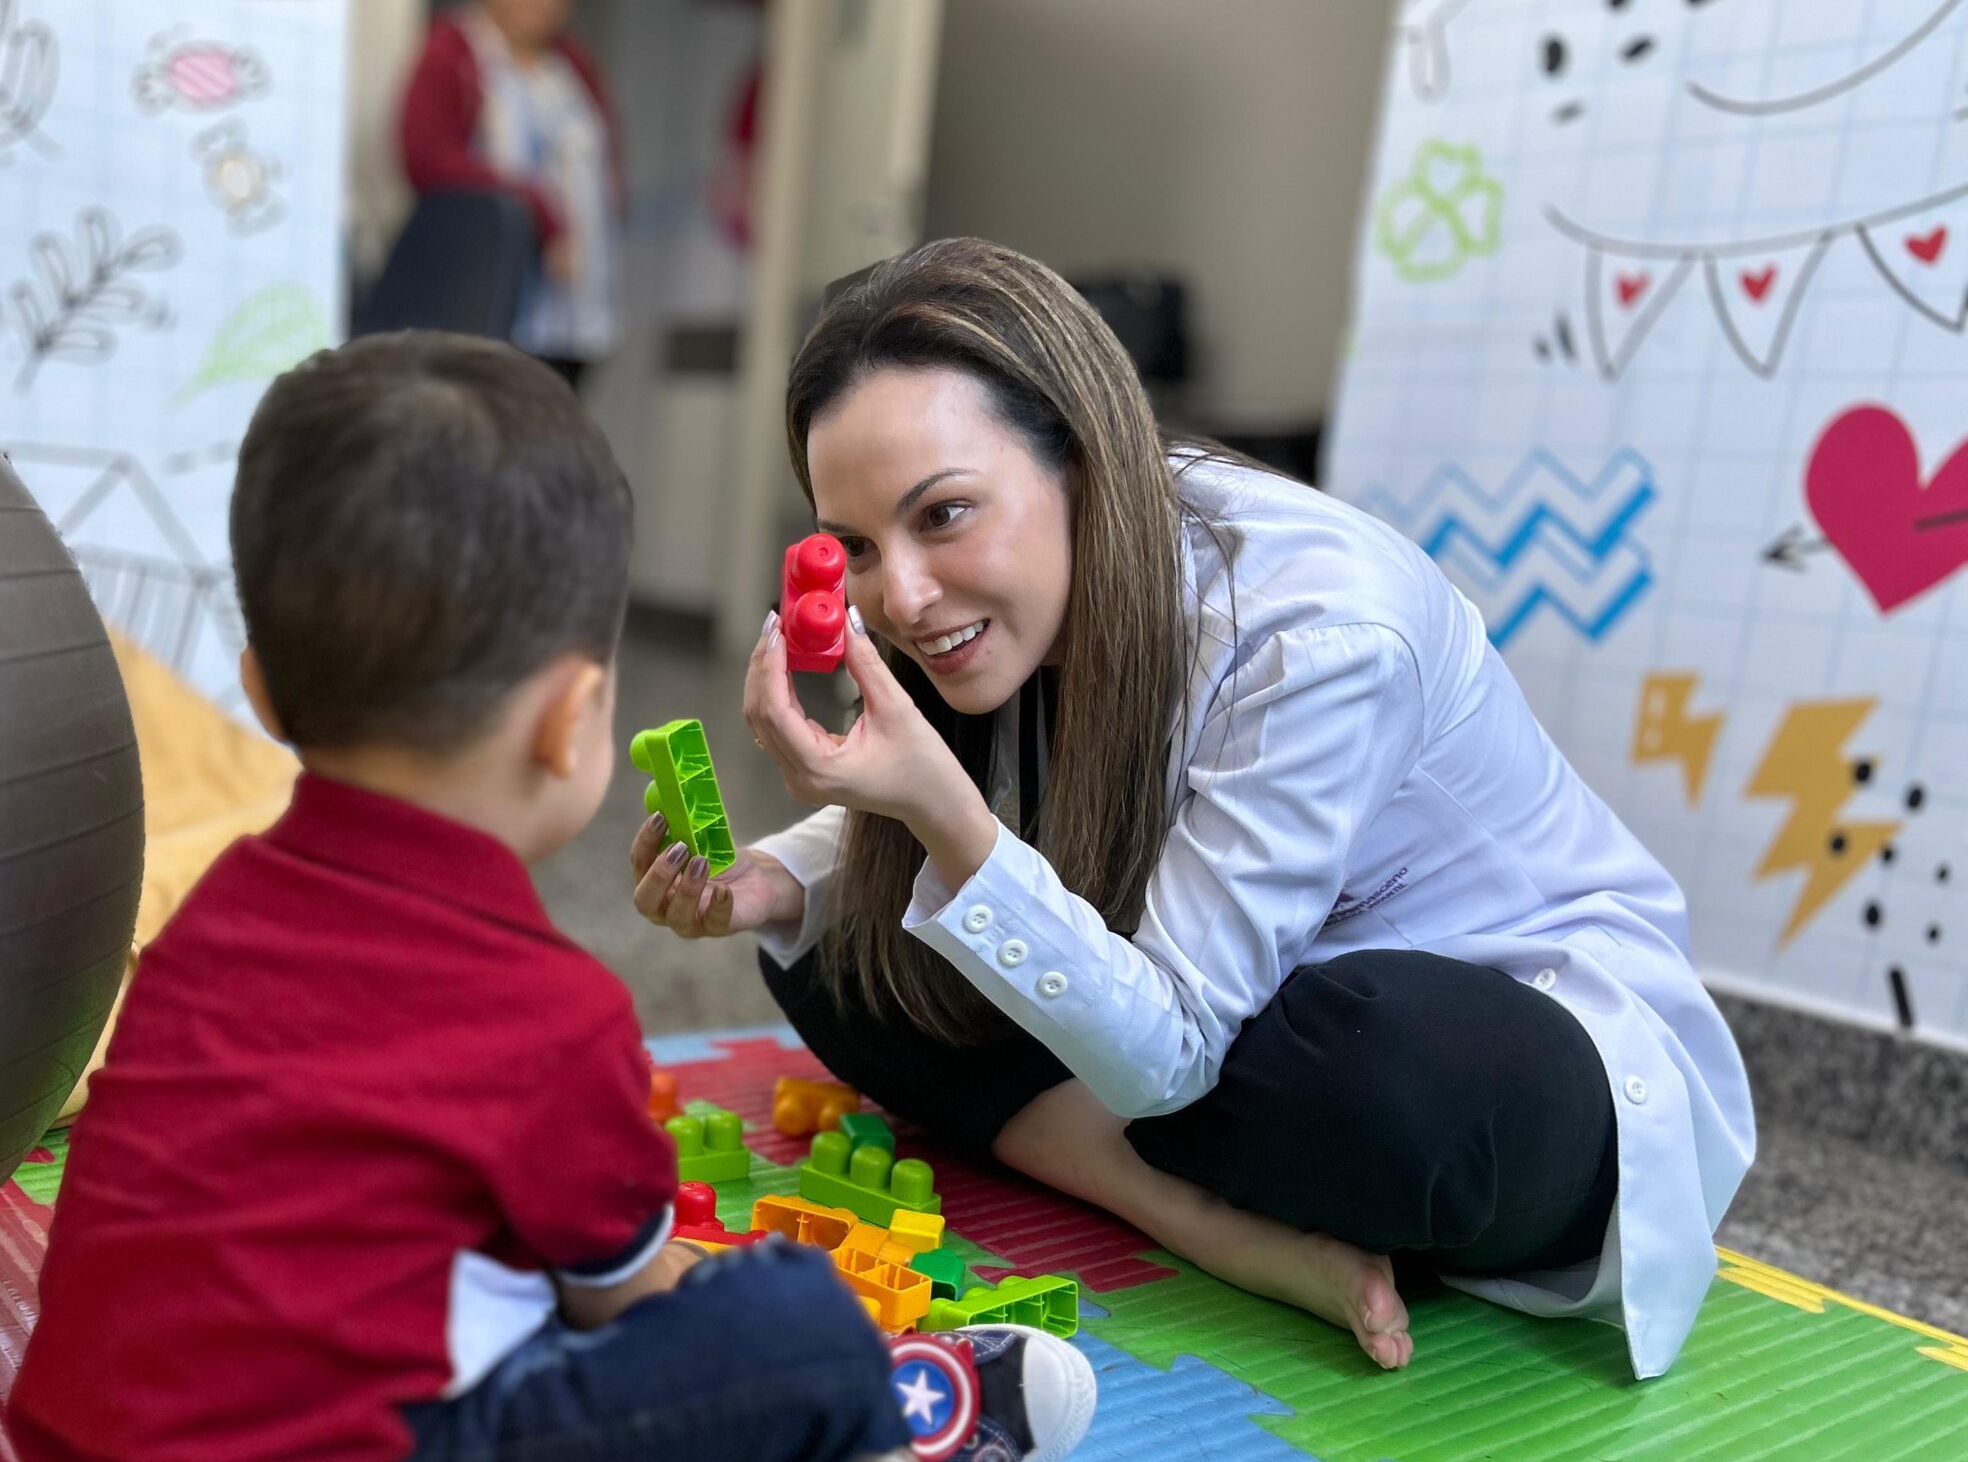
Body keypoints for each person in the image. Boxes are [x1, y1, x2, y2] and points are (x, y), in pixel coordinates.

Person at [5, 334, 1098, 1462]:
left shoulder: (208, 916)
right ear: (575, 720)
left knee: (483, 1266)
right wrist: (763, 1322)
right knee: (787, 1321)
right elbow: (628, 1308)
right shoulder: (544, 1010)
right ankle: (884, 1406)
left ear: (267, 694)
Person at [630, 239, 1756, 1383]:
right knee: (837, 942)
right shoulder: (1025, 590)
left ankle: (1173, 1169)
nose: (904, 597)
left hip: (1490, 1038)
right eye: (859, 547)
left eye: (945, 515)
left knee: (1365, 1069)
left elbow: (1164, 1052)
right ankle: (1190, 1210)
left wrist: (939, 817)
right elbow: (1000, 828)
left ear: (1078, 457)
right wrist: (777, 879)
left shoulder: (1317, 631)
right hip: (1201, 1021)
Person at [399, 0, 621, 386]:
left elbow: (602, 165)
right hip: (485, 311)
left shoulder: (571, 62)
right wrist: (541, 211)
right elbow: (427, 158)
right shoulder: (454, 49)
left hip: (571, 317)